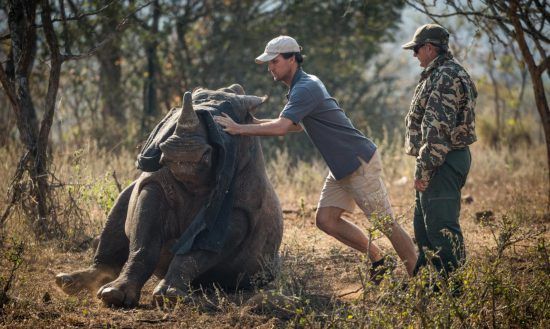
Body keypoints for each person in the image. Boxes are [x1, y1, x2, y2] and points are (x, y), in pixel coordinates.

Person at [214, 35, 418, 281]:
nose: (270, 67)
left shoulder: (305, 87)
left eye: (274, 61)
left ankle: (421, 278)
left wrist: (239, 129)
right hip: (341, 166)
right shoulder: (299, 86)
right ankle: (378, 258)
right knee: (326, 220)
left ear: (292, 59)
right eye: (268, 62)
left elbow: (281, 128)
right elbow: (295, 126)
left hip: (358, 162)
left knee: (386, 223)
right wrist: (256, 123)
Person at [402, 24, 477, 276]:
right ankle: (431, 286)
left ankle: (453, 293)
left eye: (416, 49)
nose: (414, 55)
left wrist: (424, 171)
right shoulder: (440, 73)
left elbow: (437, 133)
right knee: (424, 229)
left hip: (441, 161)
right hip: (438, 160)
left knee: (441, 229)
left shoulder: (446, 76)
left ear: (429, 48)